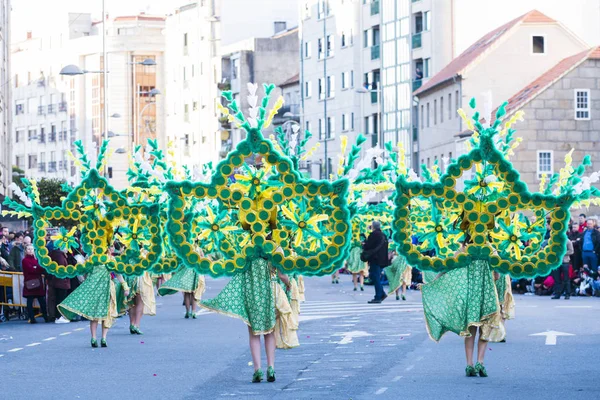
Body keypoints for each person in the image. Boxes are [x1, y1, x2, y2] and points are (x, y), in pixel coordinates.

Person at [200, 248, 298, 383]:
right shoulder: (276, 248)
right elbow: (282, 275)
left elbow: (239, 272)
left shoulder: (247, 249)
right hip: (271, 293)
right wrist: (288, 284)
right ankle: (271, 368)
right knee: (270, 332)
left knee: (254, 333)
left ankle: (257, 370)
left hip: (253, 294)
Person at [421, 235, 503, 377]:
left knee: (470, 331)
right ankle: (480, 362)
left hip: (471, 296)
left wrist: (433, 283)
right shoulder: (490, 249)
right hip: (487, 295)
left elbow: (448, 266)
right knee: (485, 330)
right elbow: (497, 276)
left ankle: (469, 364)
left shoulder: (464, 249)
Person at [58, 246, 129, 348]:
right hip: (103, 288)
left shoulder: (95, 258)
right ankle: (102, 338)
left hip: (102, 289)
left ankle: (94, 338)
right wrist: (125, 286)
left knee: (96, 313)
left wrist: (124, 285)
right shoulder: (101, 259)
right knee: (104, 313)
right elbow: (118, 275)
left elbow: (86, 274)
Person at [21, 245, 50, 323]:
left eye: (32, 249)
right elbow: (30, 269)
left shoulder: (36, 259)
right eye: (29, 249)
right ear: (26, 251)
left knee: (42, 301)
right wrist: (36, 268)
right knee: (30, 301)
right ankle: (32, 318)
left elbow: (39, 268)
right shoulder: (24, 260)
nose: (30, 250)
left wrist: (36, 267)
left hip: (38, 282)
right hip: (30, 282)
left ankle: (45, 316)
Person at [362, 221, 388, 304]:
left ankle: (378, 296)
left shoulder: (374, 235)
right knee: (375, 277)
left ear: (373, 227)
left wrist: (364, 244)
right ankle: (382, 293)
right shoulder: (383, 235)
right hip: (382, 259)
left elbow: (368, 246)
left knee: (375, 277)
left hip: (375, 259)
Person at [48, 246, 72, 323]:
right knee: (61, 299)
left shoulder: (56, 254)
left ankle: (58, 316)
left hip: (57, 281)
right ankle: (59, 316)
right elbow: (62, 268)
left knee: (58, 299)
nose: (67, 249)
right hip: (61, 281)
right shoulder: (60, 256)